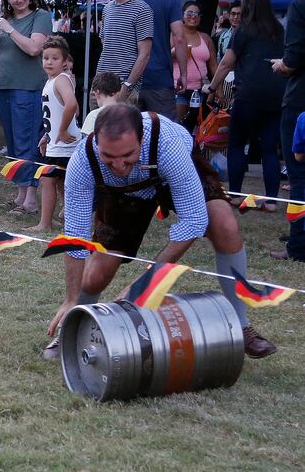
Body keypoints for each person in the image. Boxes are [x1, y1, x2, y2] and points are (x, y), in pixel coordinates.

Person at [42, 104, 276, 360]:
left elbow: (194, 220)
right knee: (97, 272)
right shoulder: (83, 160)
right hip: (124, 194)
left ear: (141, 140)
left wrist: (146, 284)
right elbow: (75, 234)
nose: (119, 165)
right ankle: (75, 327)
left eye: (127, 155)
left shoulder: (168, 145)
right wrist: (71, 297)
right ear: (96, 141)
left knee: (224, 224)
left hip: (172, 175)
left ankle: (241, 325)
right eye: (109, 157)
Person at [207, 0, 285, 211]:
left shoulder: (243, 31)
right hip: (275, 96)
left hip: (248, 94)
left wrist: (212, 89)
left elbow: (225, 64)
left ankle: (235, 195)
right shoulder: (279, 30)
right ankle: (272, 200)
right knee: (269, 149)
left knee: (236, 144)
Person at [0, 0, 52, 215]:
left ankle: (31, 199)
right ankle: (21, 195)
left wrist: (9, 30)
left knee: (27, 142)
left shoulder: (40, 17)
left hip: (29, 86)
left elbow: (35, 48)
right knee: (13, 143)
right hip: (4, 86)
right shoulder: (4, 21)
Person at [271, 0, 305, 261]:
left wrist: (281, 64)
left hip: (301, 100)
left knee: (298, 173)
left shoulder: (300, 6)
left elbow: (294, 59)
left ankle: (298, 245)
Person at [30, 37, 80, 232]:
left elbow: (72, 105)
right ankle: (64, 218)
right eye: (46, 58)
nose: (49, 62)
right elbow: (54, 112)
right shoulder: (51, 81)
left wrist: (61, 130)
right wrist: (47, 135)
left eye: (55, 58)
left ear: (65, 61)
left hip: (66, 144)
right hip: (56, 142)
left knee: (48, 180)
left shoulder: (61, 80)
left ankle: (45, 223)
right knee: (57, 182)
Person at [131, 0, 186, 120]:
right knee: (164, 132)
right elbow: (179, 37)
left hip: (129, 79)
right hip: (160, 79)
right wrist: (183, 74)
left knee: (130, 134)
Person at [96, 0, 153, 105]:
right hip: (99, 85)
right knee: (94, 128)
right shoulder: (107, 9)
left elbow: (145, 55)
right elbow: (106, 44)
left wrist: (127, 87)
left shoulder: (142, 9)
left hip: (122, 87)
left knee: (119, 128)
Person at [172, 1, 217, 130]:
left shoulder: (206, 38)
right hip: (178, 89)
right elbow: (164, 58)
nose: (193, 16)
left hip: (200, 91)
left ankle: (193, 149)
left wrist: (217, 89)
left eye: (197, 14)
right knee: (178, 127)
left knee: (195, 128)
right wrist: (177, 50)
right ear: (182, 15)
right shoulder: (175, 35)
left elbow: (213, 65)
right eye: (190, 13)